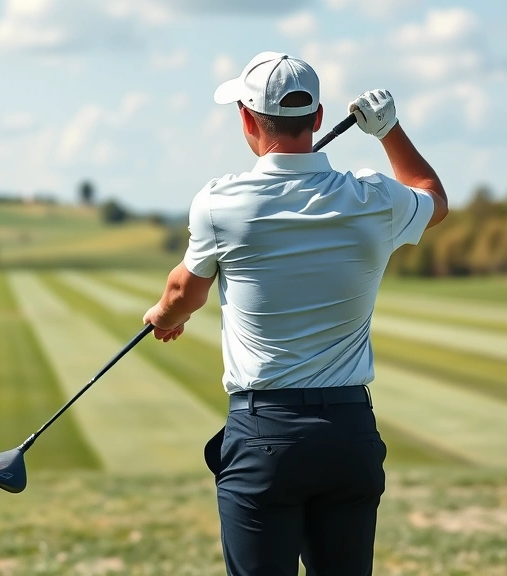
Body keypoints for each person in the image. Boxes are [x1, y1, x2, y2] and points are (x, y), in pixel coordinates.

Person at [141, 52, 448, 576]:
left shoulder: (221, 202)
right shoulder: (372, 197)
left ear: (246, 118)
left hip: (264, 436)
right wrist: (390, 131)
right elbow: (433, 199)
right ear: (319, 116)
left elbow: (183, 291)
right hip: (350, 433)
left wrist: (164, 317)